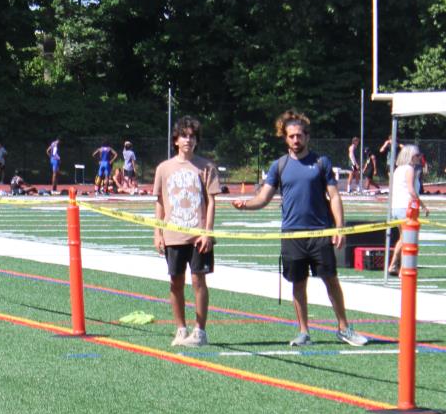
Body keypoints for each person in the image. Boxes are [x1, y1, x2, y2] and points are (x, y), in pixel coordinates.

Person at [233, 110, 367, 347]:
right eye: (291, 136)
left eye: (299, 135)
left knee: (331, 280)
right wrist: (245, 205)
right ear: (285, 138)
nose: (296, 140)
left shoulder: (321, 162)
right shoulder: (279, 166)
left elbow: (335, 197)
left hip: (320, 233)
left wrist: (339, 228)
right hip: (292, 234)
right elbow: (263, 198)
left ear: (307, 136)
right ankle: (304, 332)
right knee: (298, 283)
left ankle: (344, 328)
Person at [152, 116, 219, 347]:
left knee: (199, 281)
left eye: (192, 136)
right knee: (176, 282)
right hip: (173, 234)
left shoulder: (207, 167)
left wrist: (207, 232)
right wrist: (158, 232)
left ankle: (200, 331)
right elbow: (160, 202)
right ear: (176, 140)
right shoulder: (164, 168)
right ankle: (181, 329)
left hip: (198, 234)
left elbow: (212, 202)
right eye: (184, 136)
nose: (188, 140)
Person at [388, 144, 429, 274]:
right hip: (406, 207)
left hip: (396, 206)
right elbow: (411, 190)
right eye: (417, 155)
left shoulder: (398, 170)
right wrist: (423, 205)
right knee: (408, 240)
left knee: (403, 238)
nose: (419, 157)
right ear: (411, 156)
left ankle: (393, 265)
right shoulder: (409, 169)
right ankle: (402, 269)